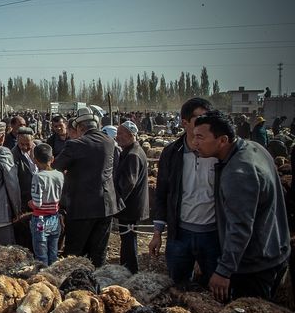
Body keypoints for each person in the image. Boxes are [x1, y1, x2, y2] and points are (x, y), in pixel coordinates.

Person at [193, 110, 290, 301]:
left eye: (200, 137)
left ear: (222, 140)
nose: (195, 142)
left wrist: (224, 271)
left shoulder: (237, 172)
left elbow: (240, 226)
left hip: (254, 265)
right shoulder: (255, 148)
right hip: (274, 249)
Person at [148, 98, 220, 288]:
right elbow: (163, 192)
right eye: (199, 118)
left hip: (213, 234)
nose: (205, 123)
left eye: (208, 118)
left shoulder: (218, 153)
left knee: (215, 289)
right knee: (178, 287)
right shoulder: (172, 153)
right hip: (180, 234)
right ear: (184, 122)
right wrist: (157, 233)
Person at [53, 107, 122, 267]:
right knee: (98, 252)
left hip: (82, 208)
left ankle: (76, 286)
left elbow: (56, 166)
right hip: (105, 206)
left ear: (80, 128)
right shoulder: (109, 142)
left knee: (74, 253)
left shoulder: (75, 145)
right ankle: (96, 285)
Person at [114, 120, 149, 274]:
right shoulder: (131, 151)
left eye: (120, 133)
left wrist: (118, 201)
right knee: (128, 239)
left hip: (130, 206)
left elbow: (129, 182)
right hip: (131, 205)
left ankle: (130, 270)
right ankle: (127, 267)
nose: (117, 137)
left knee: (128, 240)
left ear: (130, 135)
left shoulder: (133, 155)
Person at [28, 143, 64, 266]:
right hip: (55, 217)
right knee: (53, 253)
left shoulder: (38, 177)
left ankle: (43, 278)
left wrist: (30, 204)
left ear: (35, 160)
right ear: (52, 158)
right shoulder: (59, 175)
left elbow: (37, 203)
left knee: (41, 256)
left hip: (40, 220)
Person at [11, 127, 38, 213]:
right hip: (25, 200)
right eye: (22, 144)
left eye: (28, 144)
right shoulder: (14, 155)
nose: (25, 147)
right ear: (17, 141)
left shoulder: (40, 149)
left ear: (33, 140)